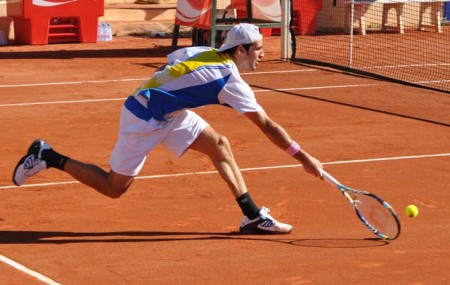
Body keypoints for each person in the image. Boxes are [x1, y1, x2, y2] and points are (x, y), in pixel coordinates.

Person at [12, 23, 323, 234]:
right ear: (240, 50)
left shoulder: (205, 52)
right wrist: (304, 157)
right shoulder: (230, 80)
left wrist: (172, 98)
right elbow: (266, 125)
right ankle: (49, 156)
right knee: (113, 188)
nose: (263, 53)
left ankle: (252, 216)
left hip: (168, 112)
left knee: (219, 144)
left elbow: (170, 64)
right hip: (143, 118)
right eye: (257, 48)